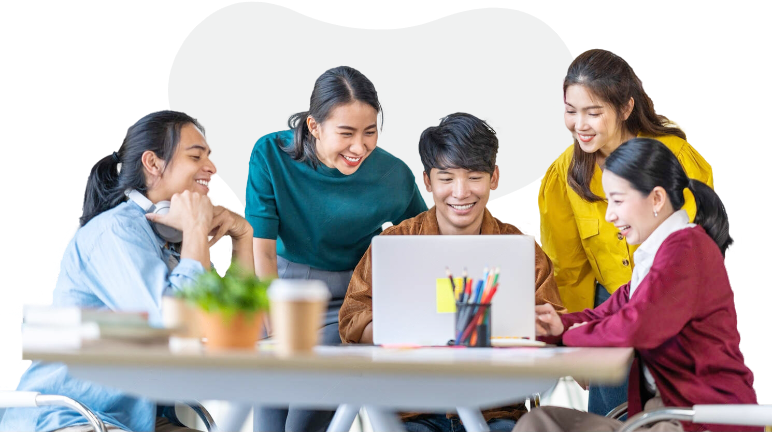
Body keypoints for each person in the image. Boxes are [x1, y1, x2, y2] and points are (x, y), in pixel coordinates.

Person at [0, 110, 253, 432]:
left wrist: (242, 237)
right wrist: (195, 230)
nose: (212, 168)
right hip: (72, 415)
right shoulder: (114, 233)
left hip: (134, 419)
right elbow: (173, 325)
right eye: (195, 156)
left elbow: (237, 328)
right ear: (153, 164)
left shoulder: (172, 242)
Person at [338, 113, 566, 432]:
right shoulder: (394, 245)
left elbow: (553, 329)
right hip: (413, 411)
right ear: (428, 181)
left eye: (474, 176)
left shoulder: (521, 249)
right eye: (446, 178)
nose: (460, 193)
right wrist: (411, 334)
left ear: (494, 177)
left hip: (496, 411)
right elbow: (352, 319)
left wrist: (522, 330)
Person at [518, 138, 759, 432]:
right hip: (659, 416)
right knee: (539, 421)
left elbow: (636, 326)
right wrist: (557, 326)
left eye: (617, 201)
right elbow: (605, 314)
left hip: (699, 421)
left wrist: (570, 336)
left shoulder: (688, 248)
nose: (609, 215)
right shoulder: (654, 257)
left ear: (656, 199)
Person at [246, 66, 428, 432]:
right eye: (346, 133)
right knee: (269, 411)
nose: (359, 147)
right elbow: (261, 250)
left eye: (370, 132)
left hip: (350, 301)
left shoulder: (393, 175)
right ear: (314, 126)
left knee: (306, 414)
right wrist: (273, 324)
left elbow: (425, 241)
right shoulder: (271, 153)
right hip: (281, 290)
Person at [537, 48, 714, 416]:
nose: (579, 124)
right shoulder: (563, 176)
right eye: (571, 111)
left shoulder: (677, 159)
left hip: (674, 309)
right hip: (609, 313)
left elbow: (698, 249)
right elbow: (569, 270)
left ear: (626, 108)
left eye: (594, 112)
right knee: (609, 421)